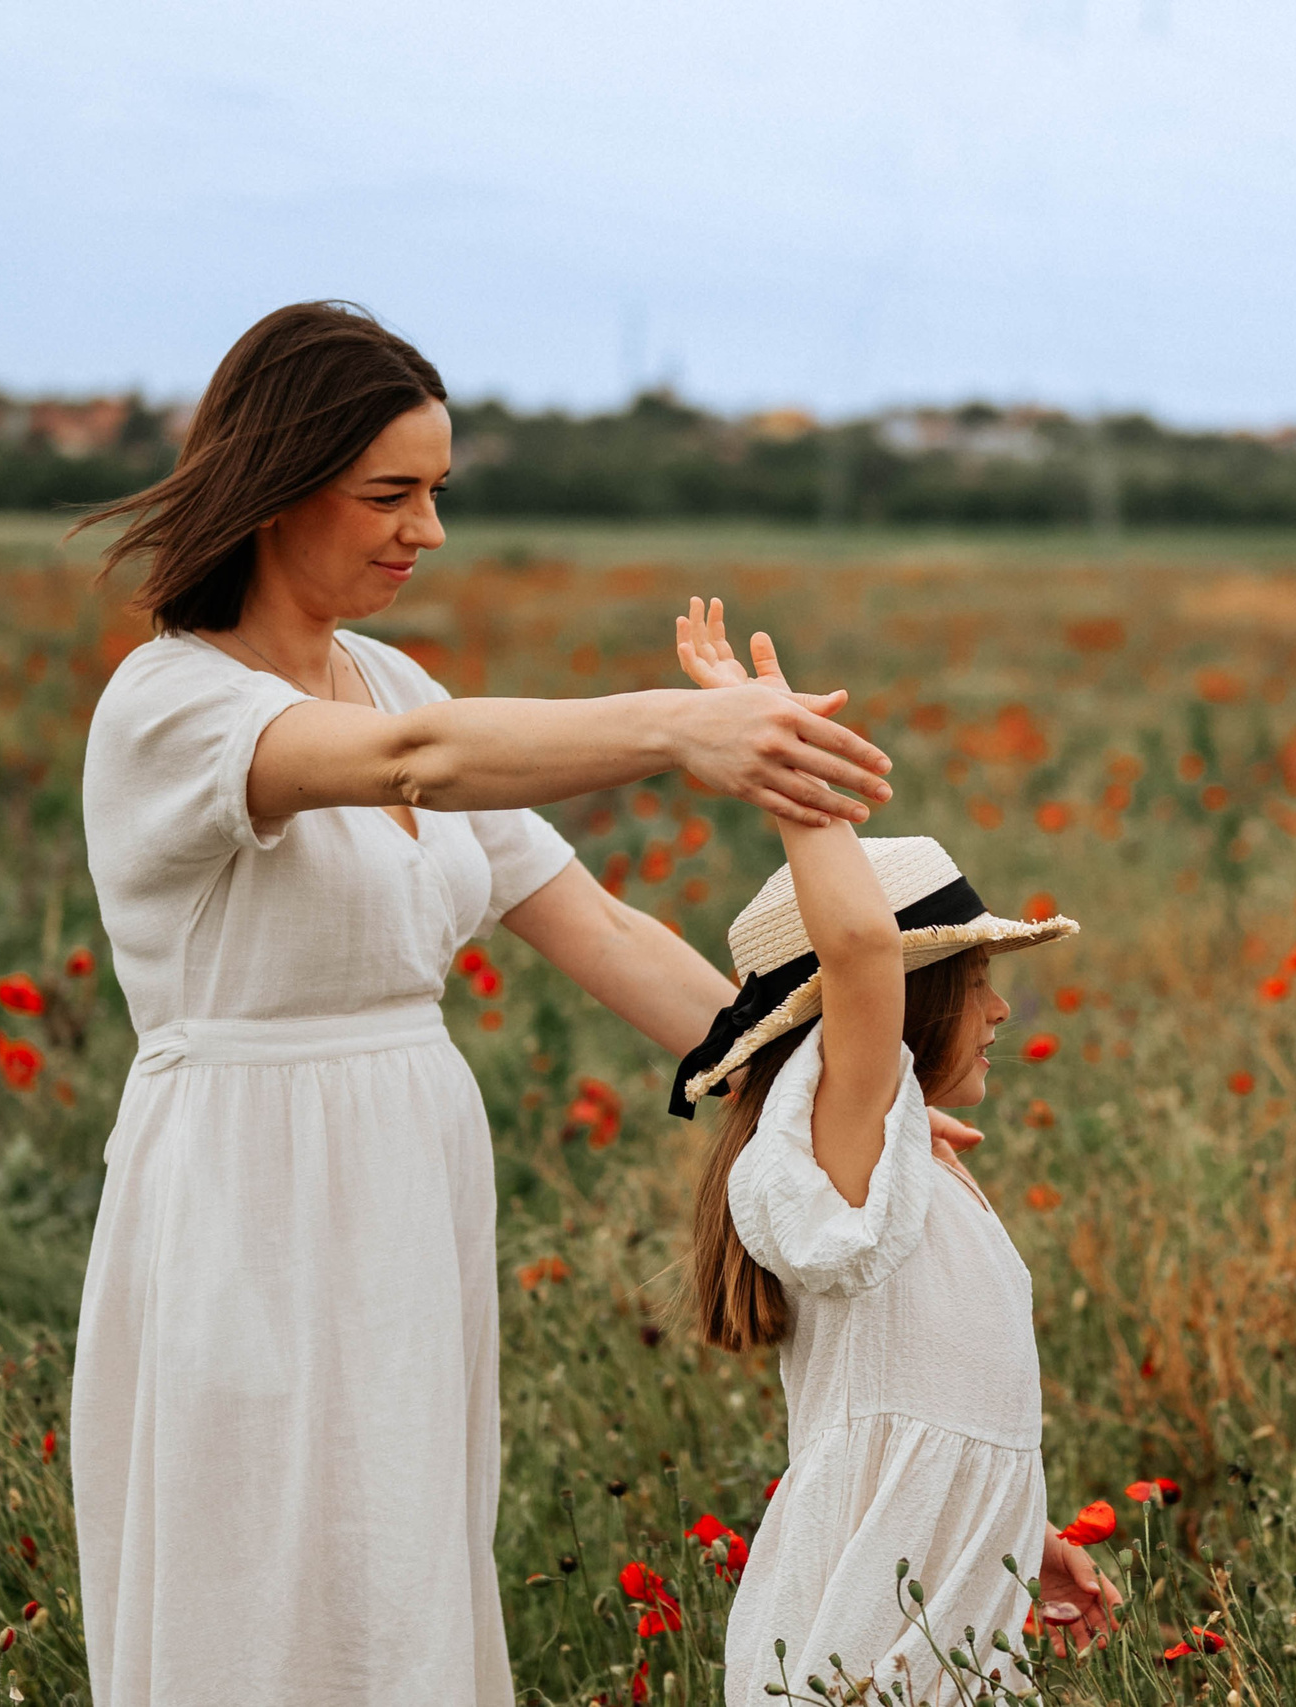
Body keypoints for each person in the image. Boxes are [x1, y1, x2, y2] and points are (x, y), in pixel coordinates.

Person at [69, 302, 908, 1707]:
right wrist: (677, 726)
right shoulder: (174, 704)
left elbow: (602, 929)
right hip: (246, 1186)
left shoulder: (387, 672)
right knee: (259, 1559)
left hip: (408, 1174)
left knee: (398, 1554)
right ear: (275, 488)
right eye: (388, 493)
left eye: (438, 490)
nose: (428, 530)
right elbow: (416, 759)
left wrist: (830, 1092)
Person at [667, 602, 1121, 1705]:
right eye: (978, 983)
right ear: (900, 1009)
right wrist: (787, 760)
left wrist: (1017, 1536)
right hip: (864, 1633)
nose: (1002, 1012)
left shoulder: (896, 1160)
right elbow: (863, 946)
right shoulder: (842, 1145)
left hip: (936, 1604)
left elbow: (944, 1406)